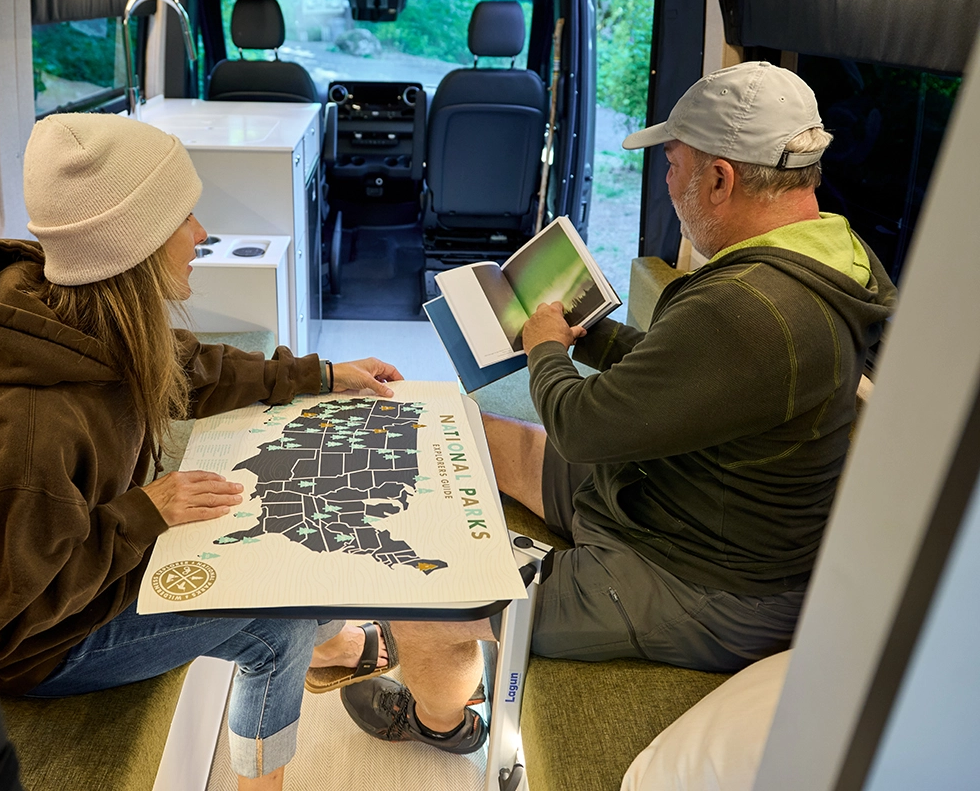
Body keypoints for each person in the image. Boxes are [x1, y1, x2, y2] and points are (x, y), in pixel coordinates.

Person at [339, 61, 898, 754]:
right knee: (469, 432)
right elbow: (695, 376)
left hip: (698, 578)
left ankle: (441, 723)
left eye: (673, 164)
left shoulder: (752, 306)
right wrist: (593, 334)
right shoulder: (826, 252)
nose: (666, 182)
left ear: (721, 179)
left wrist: (544, 349)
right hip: (673, 493)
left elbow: (580, 427)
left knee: (422, 601)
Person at [0, 112, 403, 790]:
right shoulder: (34, 428)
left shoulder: (79, 310)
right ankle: (309, 682)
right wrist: (140, 513)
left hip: (98, 561)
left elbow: (190, 366)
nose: (203, 235)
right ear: (134, 242)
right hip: (46, 646)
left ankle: (331, 647)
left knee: (293, 573)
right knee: (282, 603)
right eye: (183, 217)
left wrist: (321, 376)